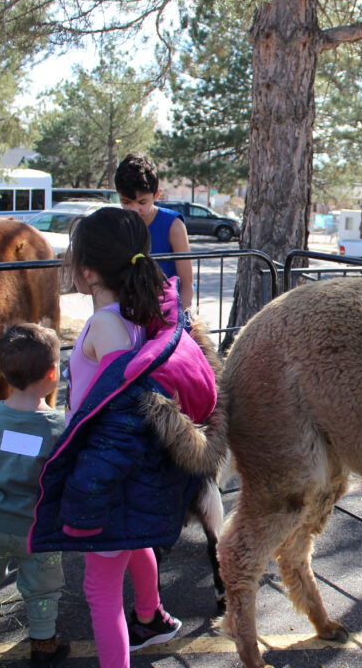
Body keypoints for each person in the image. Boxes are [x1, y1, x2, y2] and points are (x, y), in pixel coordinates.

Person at [29, 207, 218, 668]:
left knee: (99, 588)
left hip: (111, 471)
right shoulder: (138, 314)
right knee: (135, 546)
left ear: (88, 271)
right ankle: (151, 617)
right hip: (129, 468)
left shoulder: (106, 326)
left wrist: (87, 489)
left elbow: (123, 403)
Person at [0, 323, 69, 667]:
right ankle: (43, 643)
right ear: (53, 373)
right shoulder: (56, 427)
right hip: (35, 530)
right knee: (43, 587)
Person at [114, 153, 194, 311]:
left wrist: (179, 322)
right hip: (129, 314)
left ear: (157, 195)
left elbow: (186, 284)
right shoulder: (116, 226)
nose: (134, 209)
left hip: (167, 314)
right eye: (126, 202)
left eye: (142, 202)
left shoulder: (174, 226)